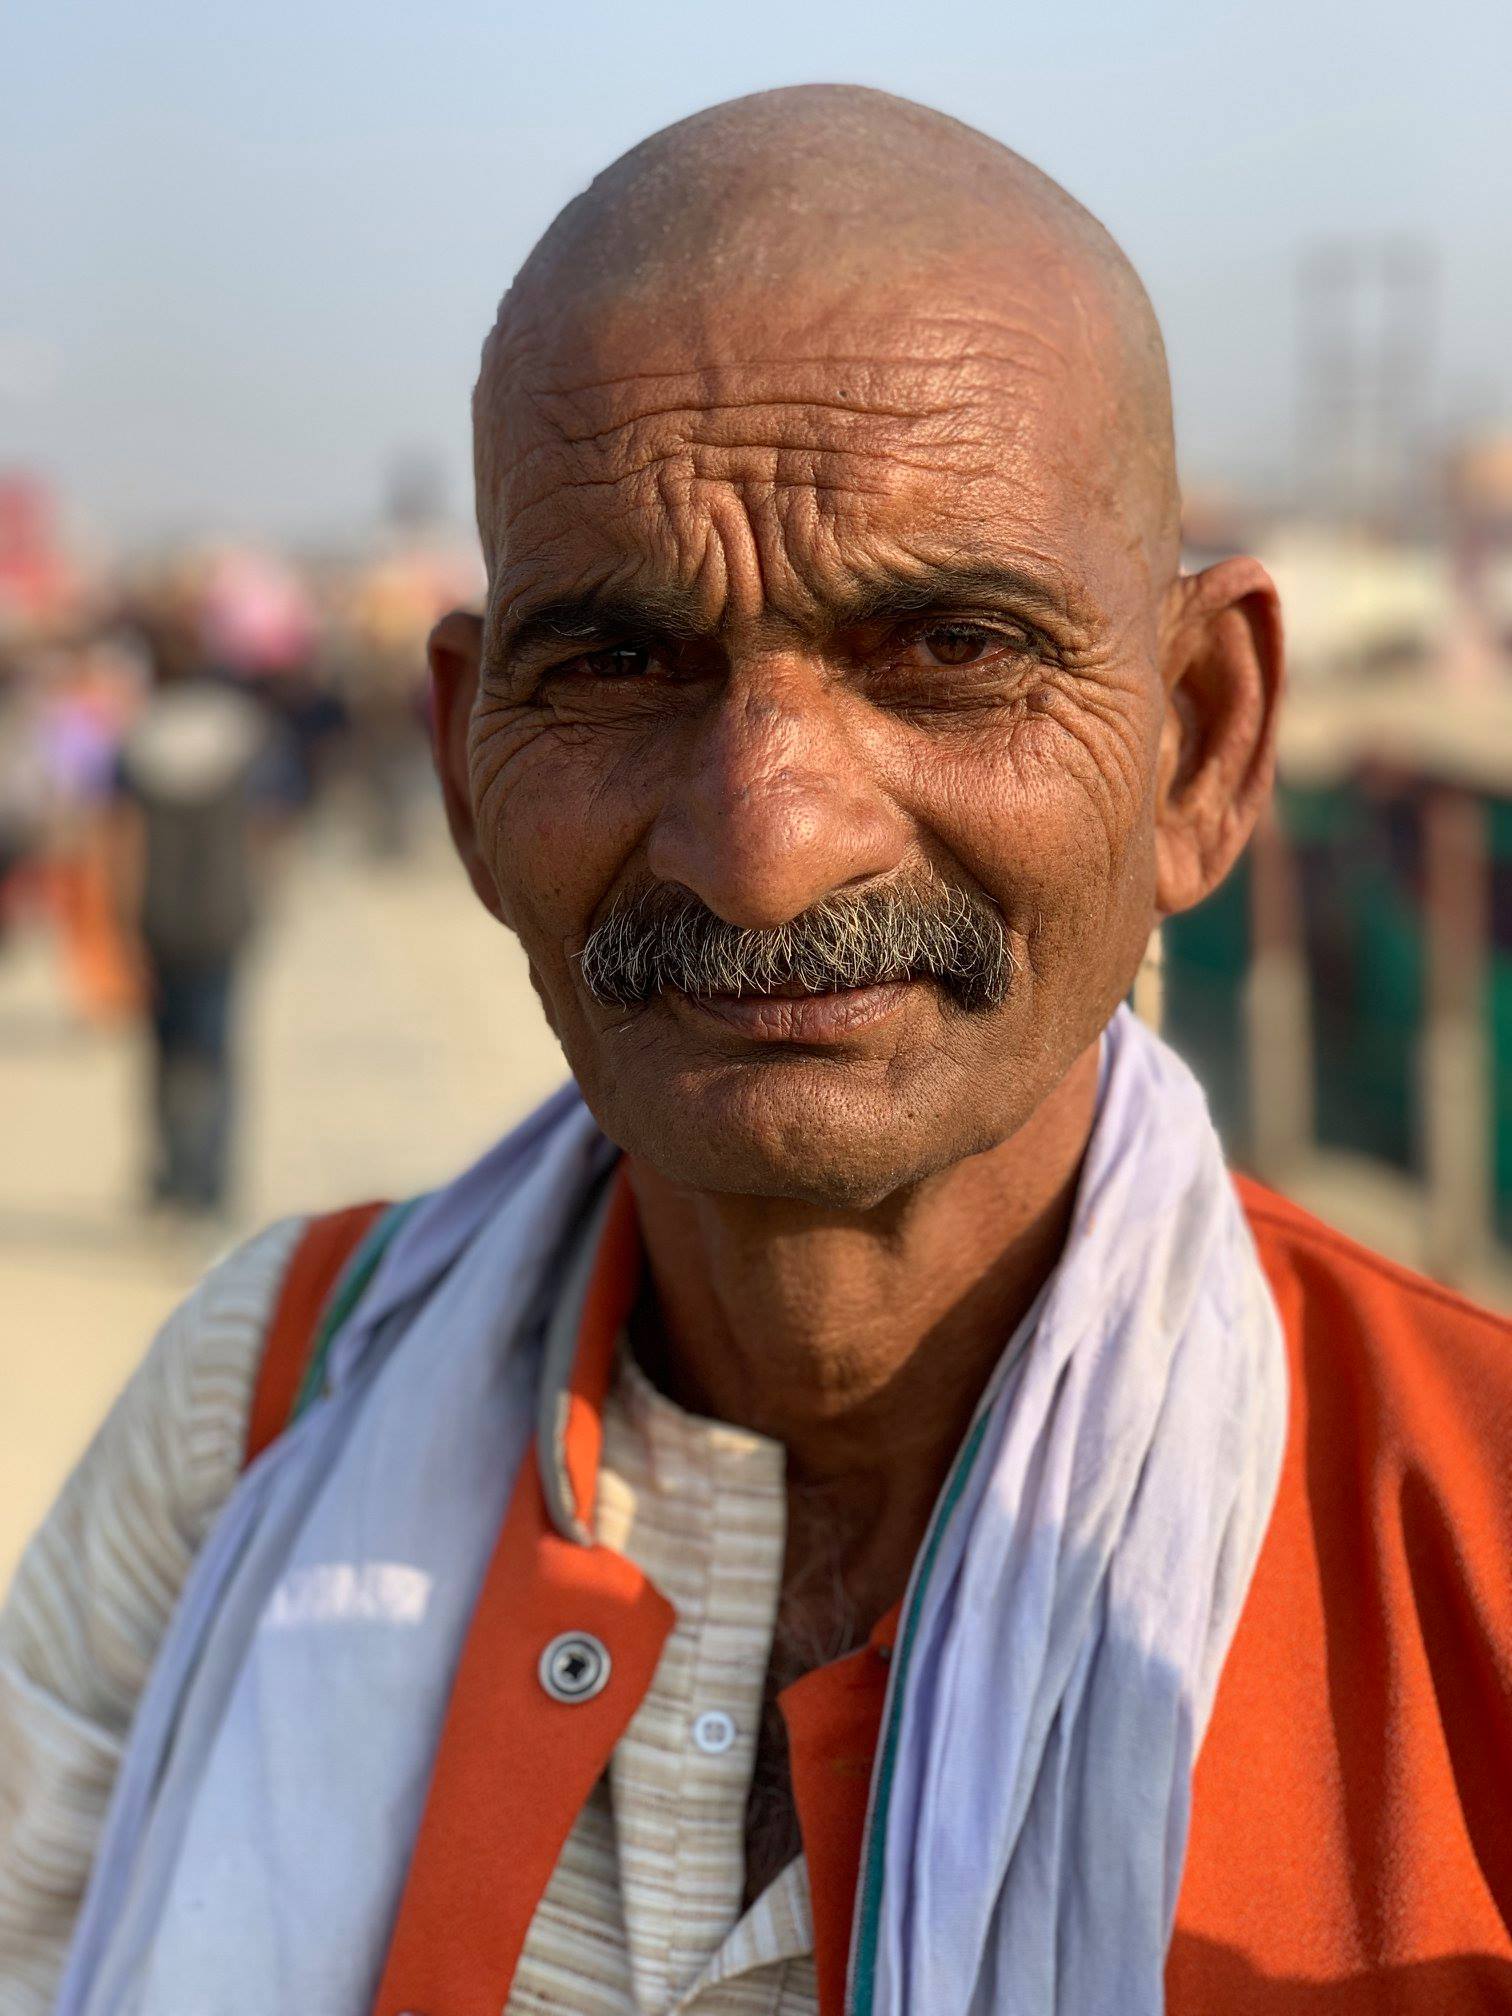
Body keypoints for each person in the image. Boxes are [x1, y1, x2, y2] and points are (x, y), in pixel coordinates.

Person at [3, 87, 1509, 2016]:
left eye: (947, 650)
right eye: (621, 666)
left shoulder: (1459, 1548)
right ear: (468, 769)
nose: (767, 840)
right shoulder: (257, 1414)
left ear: (1199, 747)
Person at [109, 609, 285, 1213]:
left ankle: (171, 1172)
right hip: (225, 910)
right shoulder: (245, 734)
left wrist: (118, 915)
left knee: (165, 1047)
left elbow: (122, 837)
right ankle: (212, 1179)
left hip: (157, 914)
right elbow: (267, 826)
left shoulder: (137, 737)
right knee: (218, 1048)